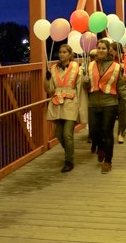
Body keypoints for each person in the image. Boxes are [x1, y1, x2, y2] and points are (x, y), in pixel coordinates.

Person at [80, 38, 126, 174]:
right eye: (99, 48)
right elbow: (87, 86)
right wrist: (84, 81)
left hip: (110, 103)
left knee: (107, 132)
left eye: (104, 48)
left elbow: (121, 88)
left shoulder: (116, 67)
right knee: (93, 132)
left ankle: (108, 161)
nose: (101, 51)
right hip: (93, 103)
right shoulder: (90, 65)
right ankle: (101, 148)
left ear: (108, 50)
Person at [44, 43, 82, 173]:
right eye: (60, 52)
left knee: (67, 134)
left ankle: (69, 160)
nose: (62, 54)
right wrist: (46, 78)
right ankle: (69, 152)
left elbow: (80, 87)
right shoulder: (53, 69)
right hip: (56, 103)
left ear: (70, 54)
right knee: (58, 134)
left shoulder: (77, 68)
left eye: (65, 52)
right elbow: (49, 90)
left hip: (71, 102)